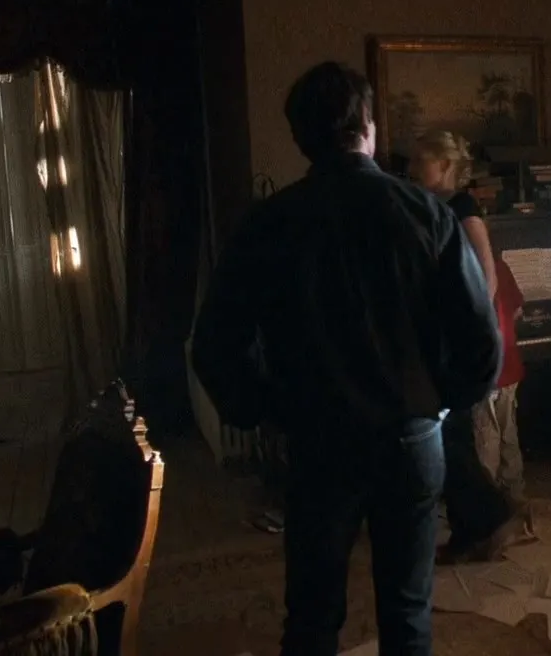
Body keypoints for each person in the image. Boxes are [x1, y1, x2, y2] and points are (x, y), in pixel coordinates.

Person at [191, 62, 501, 656]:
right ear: (367, 126)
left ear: (300, 137)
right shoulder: (427, 213)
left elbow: (214, 344)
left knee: (311, 618)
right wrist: (443, 404)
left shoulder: (269, 223)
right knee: (407, 615)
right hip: (410, 438)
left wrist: (262, 410)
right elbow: (481, 340)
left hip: (317, 441)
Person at [407, 131, 520, 563]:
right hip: (442, 334)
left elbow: (485, 277)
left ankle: (488, 518)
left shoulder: (463, 208)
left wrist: (471, 332)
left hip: (455, 339)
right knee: (450, 436)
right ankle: (474, 527)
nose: (413, 168)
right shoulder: (436, 206)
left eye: (421, 160)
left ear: (445, 165)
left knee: (450, 436)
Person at [472, 255, 529, 509]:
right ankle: (515, 498)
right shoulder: (501, 267)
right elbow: (518, 311)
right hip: (510, 366)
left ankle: (490, 507)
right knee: (509, 434)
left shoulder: (464, 268)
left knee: (486, 439)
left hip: (484, 371)